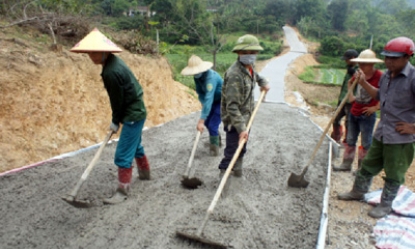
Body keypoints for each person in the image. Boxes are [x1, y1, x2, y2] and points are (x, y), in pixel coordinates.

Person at [70, 28, 150, 204]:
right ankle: (145, 173)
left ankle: (122, 191)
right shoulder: (113, 62)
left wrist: (115, 121)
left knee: (123, 153)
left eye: (94, 52)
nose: (91, 56)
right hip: (136, 109)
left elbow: (117, 100)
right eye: (89, 52)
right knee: (134, 145)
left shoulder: (110, 72)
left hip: (133, 113)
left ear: (104, 51)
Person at [337, 37, 415, 218]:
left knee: (394, 173)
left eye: (394, 58)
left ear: (407, 57)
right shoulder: (387, 75)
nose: (389, 61)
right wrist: (363, 83)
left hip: (400, 138)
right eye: (387, 57)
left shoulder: (412, 79)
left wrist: (413, 128)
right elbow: (380, 95)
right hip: (382, 132)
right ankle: (357, 191)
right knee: (368, 165)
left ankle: (386, 205)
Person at [218, 34, 270, 177]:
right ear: (238, 53)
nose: (249, 56)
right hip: (235, 121)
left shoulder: (249, 68)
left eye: (252, 53)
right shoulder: (235, 75)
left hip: (247, 117)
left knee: (242, 148)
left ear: (256, 53)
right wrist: (241, 129)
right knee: (232, 150)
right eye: (245, 53)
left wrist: (263, 83)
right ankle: (224, 176)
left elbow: (256, 76)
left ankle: (237, 171)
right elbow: (232, 106)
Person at [333, 49, 383, 172]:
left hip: (367, 114)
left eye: (364, 64)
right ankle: (346, 164)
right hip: (354, 111)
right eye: (360, 63)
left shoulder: (380, 76)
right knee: (350, 140)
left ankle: (362, 168)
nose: (361, 66)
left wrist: (376, 107)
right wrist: (351, 98)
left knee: (366, 143)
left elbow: (386, 94)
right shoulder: (358, 74)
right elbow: (350, 84)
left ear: (372, 64)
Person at [180, 55, 223, 156]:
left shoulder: (211, 78)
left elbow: (209, 97)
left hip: (222, 100)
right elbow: (200, 93)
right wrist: (204, 107)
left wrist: (201, 120)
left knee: (212, 124)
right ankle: (217, 139)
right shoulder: (198, 78)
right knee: (208, 123)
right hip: (211, 100)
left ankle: (214, 149)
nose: (195, 74)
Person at [331, 49, 359, 144]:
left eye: (346, 59)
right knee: (335, 118)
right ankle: (336, 136)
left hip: (350, 101)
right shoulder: (349, 68)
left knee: (349, 122)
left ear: (352, 58)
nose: (345, 61)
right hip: (342, 99)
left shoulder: (360, 70)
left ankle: (347, 141)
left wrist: (354, 74)